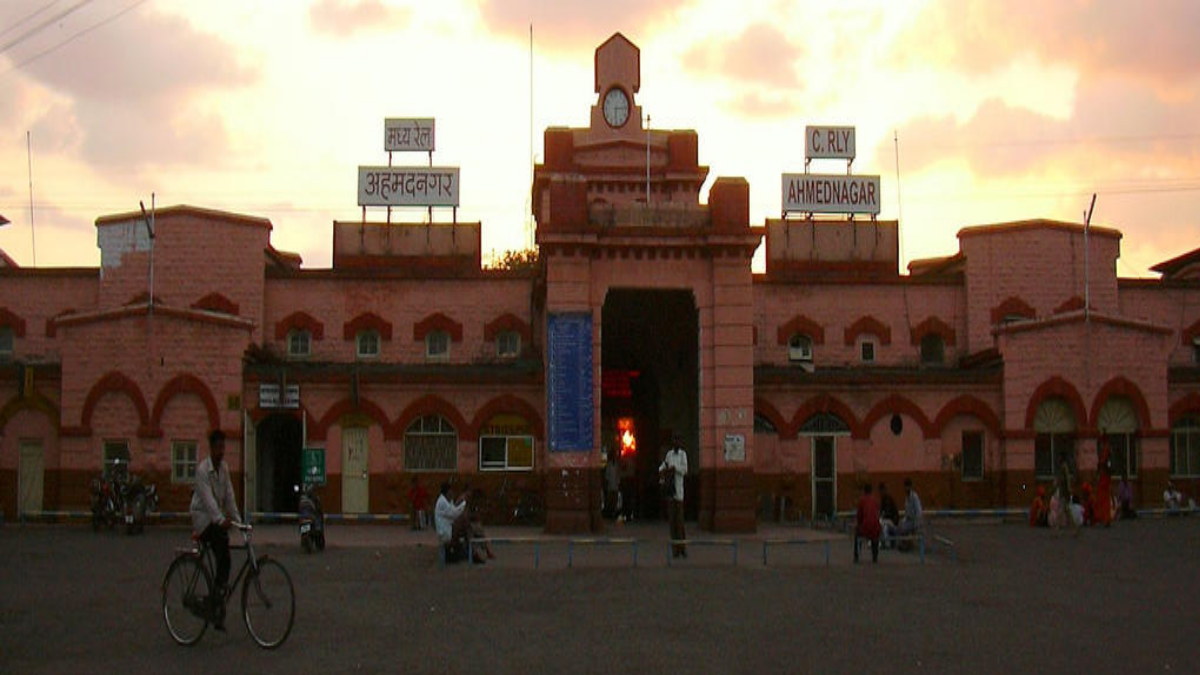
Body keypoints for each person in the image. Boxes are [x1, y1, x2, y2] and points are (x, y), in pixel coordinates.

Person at [190, 429, 241, 631]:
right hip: (202, 519)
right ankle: (215, 599)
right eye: (218, 448)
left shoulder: (225, 469)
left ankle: (217, 598)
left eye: (223, 447)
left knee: (224, 555)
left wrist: (239, 521)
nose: (221, 451)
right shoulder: (203, 471)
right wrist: (221, 520)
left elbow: (229, 496)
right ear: (211, 448)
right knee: (222, 546)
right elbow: (209, 502)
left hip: (215, 519)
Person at [659, 435, 688, 559]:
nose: (676, 443)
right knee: (672, 523)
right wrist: (663, 471)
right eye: (674, 441)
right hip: (670, 491)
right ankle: (674, 549)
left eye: (678, 441)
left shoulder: (683, 455)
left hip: (679, 493)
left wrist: (675, 469)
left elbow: (685, 470)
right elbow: (662, 467)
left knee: (680, 522)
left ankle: (682, 548)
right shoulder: (669, 455)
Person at [434, 482, 468, 562]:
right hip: (444, 532)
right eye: (451, 491)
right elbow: (454, 514)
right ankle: (467, 552)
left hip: (447, 528)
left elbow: (453, 510)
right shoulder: (442, 502)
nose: (452, 493)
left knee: (464, 527)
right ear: (447, 491)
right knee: (462, 524)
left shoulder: (447, 501)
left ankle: (467, 551)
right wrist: (464, 503)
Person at [854, 483, 882, 563]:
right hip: (876, 527)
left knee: (857, 535)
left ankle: (856, 556)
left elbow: (859, 516)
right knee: (875, 536)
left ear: (864, 491)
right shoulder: (874, 500)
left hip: (866, 527)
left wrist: (859, 526)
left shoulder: (862, 500)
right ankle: (875, 556)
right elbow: (877, 513)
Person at [878, 482, 900, 547]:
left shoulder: (888, 499)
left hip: (893, 521)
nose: (881, 493)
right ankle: (883, 542)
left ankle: (887, 542)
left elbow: (888, 513)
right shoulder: (883, 499)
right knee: (881, 523)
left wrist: (882, 516)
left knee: (883, 525)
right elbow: (881, 511)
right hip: (888, 520)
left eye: (881, 491)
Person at [604, 453, 620, 519]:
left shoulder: (617, 464)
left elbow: (618, 474)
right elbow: (607, 475)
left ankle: (614, 512)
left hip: (615, 484)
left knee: (615, 500)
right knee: (610, 500)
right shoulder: (609, 465)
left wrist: (618, 482)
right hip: (610, 484)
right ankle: (609, 513)